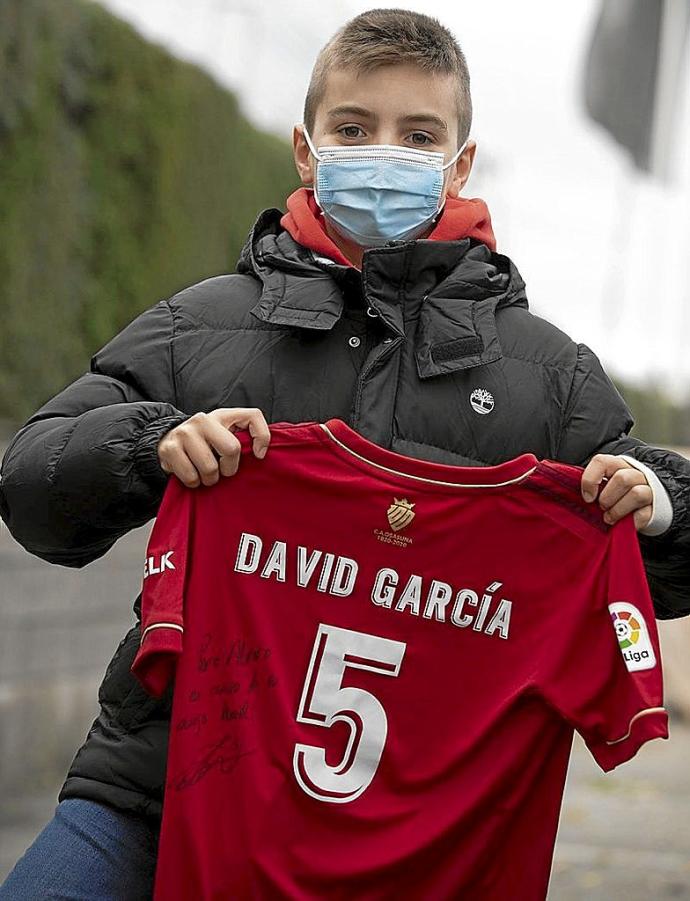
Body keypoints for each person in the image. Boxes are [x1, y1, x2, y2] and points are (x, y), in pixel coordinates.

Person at [1, 7, 688, 898]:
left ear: (459, 163)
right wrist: (147, 442)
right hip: (161, 787)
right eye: (355, 130)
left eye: (418, 135)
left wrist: (654, 499)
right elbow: (30, 478)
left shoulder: (548, 380)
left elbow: (660, 558)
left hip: (425, 832)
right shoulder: (201, 325)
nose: (383, 154)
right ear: (306, 146)